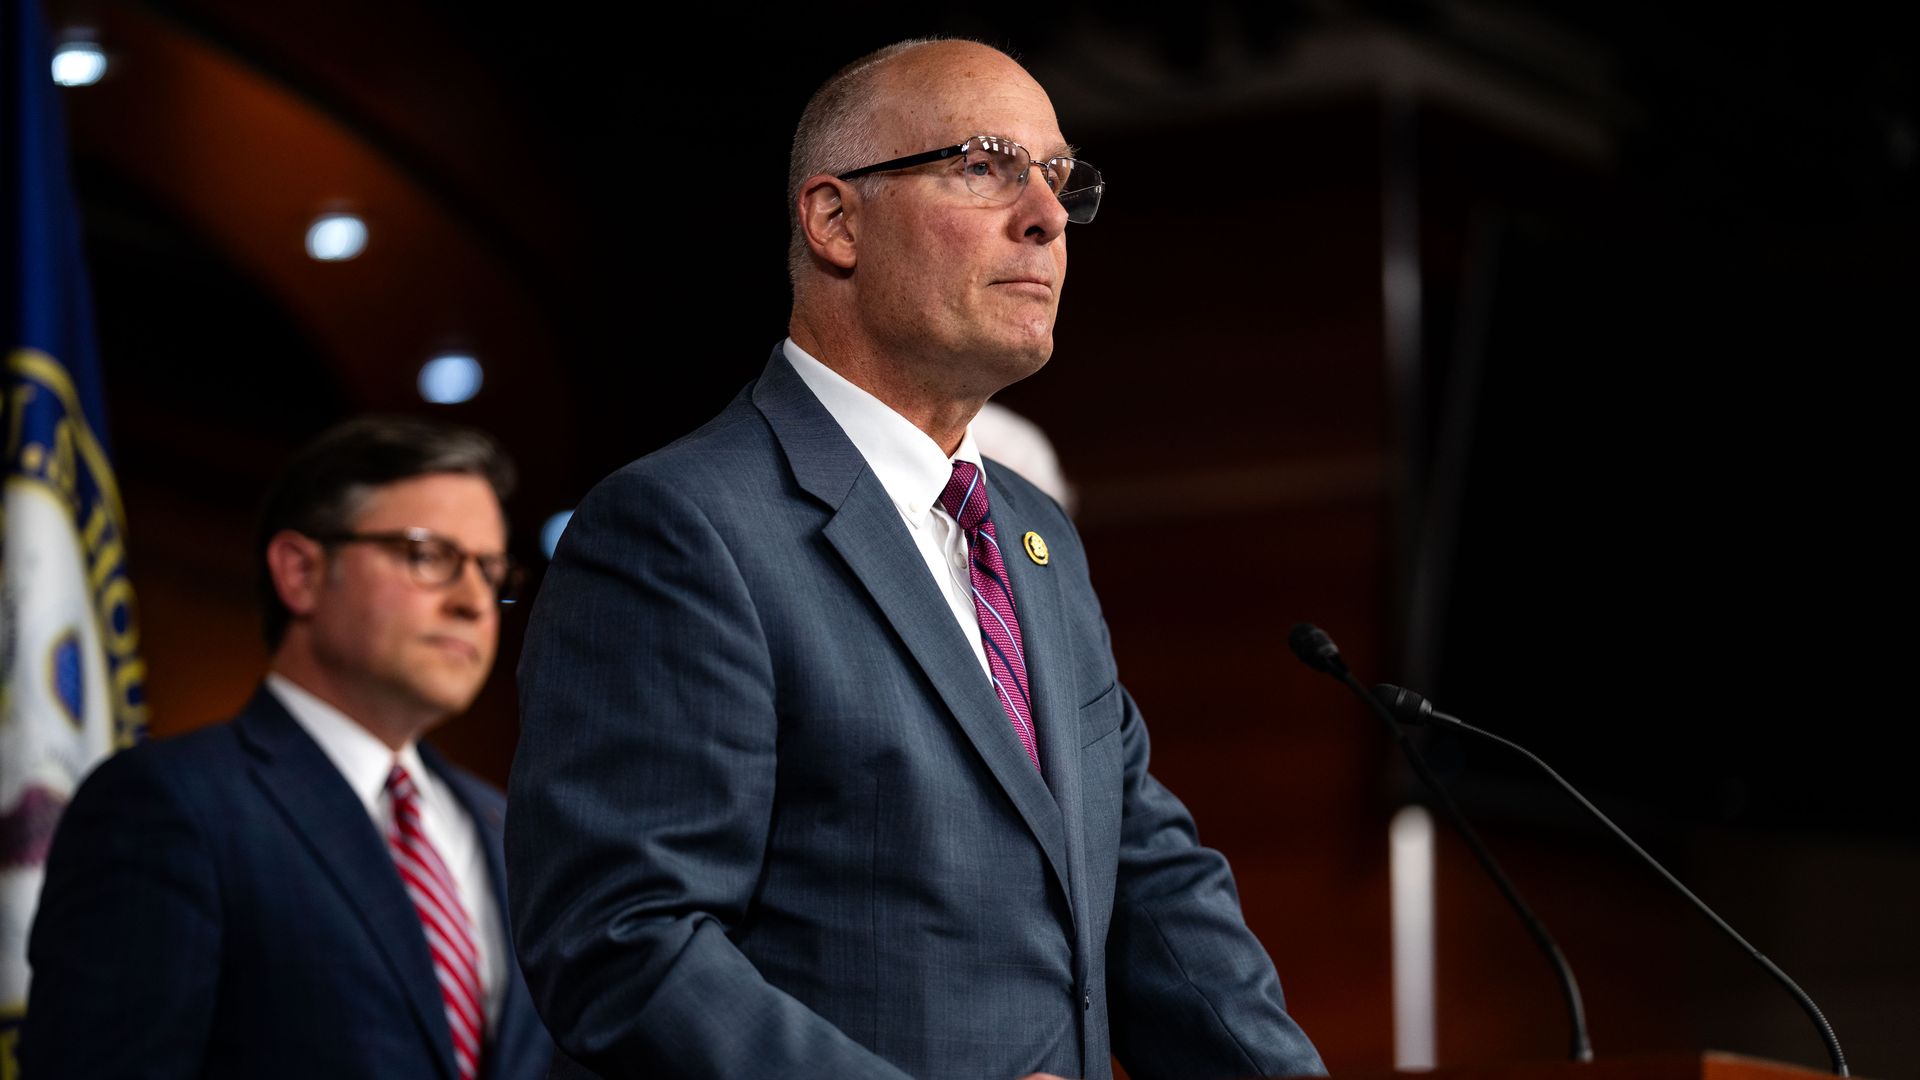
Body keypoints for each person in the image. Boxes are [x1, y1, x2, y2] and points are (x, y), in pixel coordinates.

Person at [509, 38, 1326, 1080]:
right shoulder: (682, 527)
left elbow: (1148, 880)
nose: (1046, 216)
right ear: (835, 220)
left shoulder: (1033, 534)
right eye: (984, 165)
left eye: (1059, 177)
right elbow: (622, 941)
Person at [24, 417, 554, 1080]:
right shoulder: (166, 804)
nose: (475, 602)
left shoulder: (508, 830)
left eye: (492, 571)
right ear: (300, 572)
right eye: (428, 555)